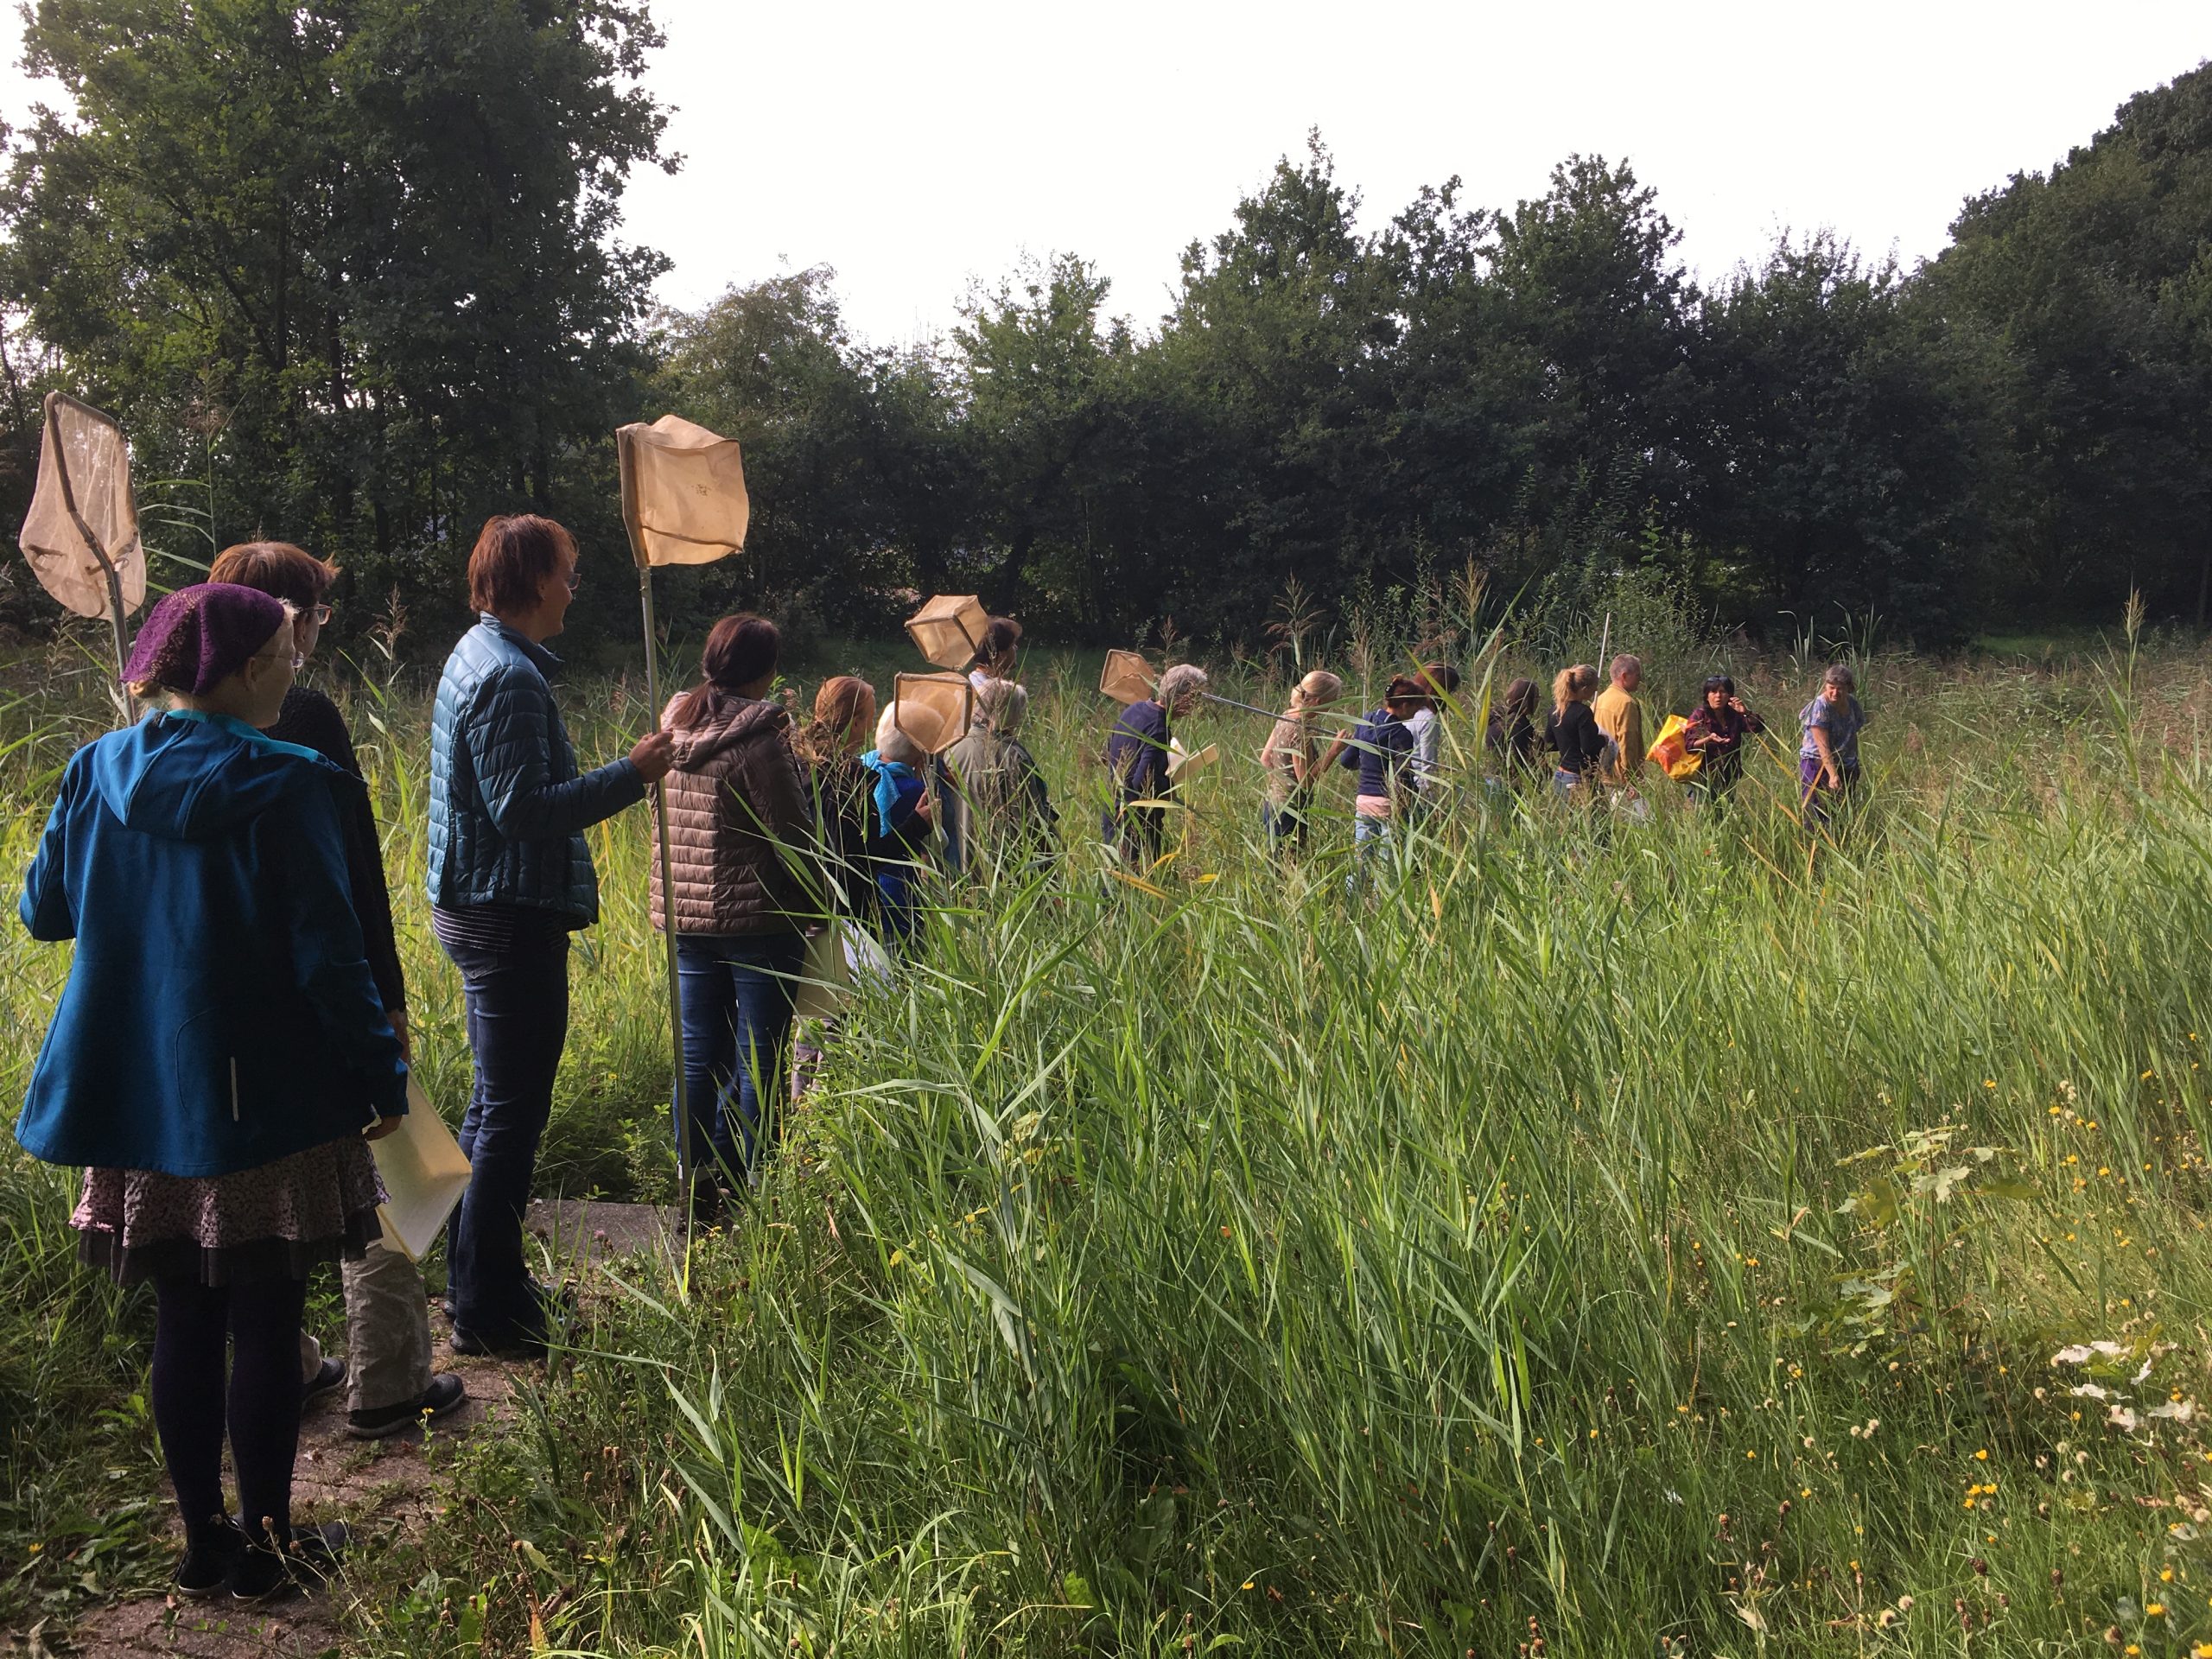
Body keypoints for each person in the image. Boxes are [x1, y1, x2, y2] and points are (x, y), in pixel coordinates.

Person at [15, 583, 409, 1602]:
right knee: (268, 1323)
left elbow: (44, 912)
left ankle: (202, 1546)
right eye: (283, 653)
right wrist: (380, 1075)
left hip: (137, 1100)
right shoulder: (293, 784)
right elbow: (332, 959)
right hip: (265, 1100)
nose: (294, 669)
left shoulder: (94, 768)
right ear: (235, 673)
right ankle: (268, 1550)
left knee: (181, 1322)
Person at [207, 542, 465, 1440]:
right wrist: (385, 1005)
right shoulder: (303, 716)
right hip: (318, 1000)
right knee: (377, 1180)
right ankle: (386, 1379)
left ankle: (296, 1364)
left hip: (213, 1017)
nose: (318, 631)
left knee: (246, 1217)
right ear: (289, 620)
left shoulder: (162, 725)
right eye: (316, 615)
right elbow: (350, 873)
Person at [428, 515, 673, 1358]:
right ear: (535, 582)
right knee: (509, 1119)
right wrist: (631, 776)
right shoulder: (510, 679)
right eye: (568, 573)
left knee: (493, 1110)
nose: (575, 587)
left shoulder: (481, 654)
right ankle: (490, 1310)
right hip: (506, 916)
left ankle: (477, 1288)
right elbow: (523, 812)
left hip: (484, 907)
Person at [652, 614, 817, 1216]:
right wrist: (824, 901)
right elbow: (794, 836)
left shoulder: (671, 728)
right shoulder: (761, 738)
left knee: (697, 1056)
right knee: (761, 1058)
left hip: (687, 920)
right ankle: (753, 1191)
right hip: (761, 921)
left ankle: (692, 1186)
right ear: (766, 672)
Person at [944, 677, 1056, 870]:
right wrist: (1051, 876)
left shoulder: (950, 747)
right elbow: (1034, 824)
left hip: (953, 865)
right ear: (1011, 714)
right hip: (1001, 871)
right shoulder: (1013, 757)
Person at [1103, 663, 1208, 865]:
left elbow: (1107, 753)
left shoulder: (1134, 710)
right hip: (1136, 819)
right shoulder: (1159, 728)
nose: (1195, 706)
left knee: (1116, 881)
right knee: (1136, 883)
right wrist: (1170, 787)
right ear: (1183, 697)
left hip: (1111, 806)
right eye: (1194, 698)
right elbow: (1141, 780)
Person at [1332, 675, 1424, 887]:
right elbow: (1403, 777)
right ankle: (1380, 908)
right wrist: (1411, 804)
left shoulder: (1366, 721)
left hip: (1363, 801)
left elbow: (1347, 761)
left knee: (1361, 862)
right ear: (1404, 705)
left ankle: (1350, 904)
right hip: (1388, 806)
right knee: (1386, 866)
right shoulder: (1402, 734)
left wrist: (1368, 763)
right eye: (1415, 709)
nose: (1414, 715)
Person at [859, 706, 937, 942]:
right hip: (901, 892)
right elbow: (938, 841)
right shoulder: (914, 790)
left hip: (865, 892)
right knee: (905, 958)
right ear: (918, 749)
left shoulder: (861, 768)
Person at [1258, 669, 1343, 851]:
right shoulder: (1301, 729)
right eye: (1333, 700)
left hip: (1272, 802)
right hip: (1290, 809)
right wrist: (1334, 751)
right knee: (1289, 865)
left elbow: (1265, 758)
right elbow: (1305, 781)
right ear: (1320, 701)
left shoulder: (1286, 715)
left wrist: (1278, 783)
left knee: (1277, 862)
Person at [1799, 664, 1867, 826]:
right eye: (1831, 688)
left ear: (1849, 688)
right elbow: (1823, 746)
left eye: (1840, 688)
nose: (1835, 693)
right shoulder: (1820, 707)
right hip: (1818, 764)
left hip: (1846, 763)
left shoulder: (1852, 704)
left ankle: (1842, 846)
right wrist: (1833, 774)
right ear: (1825, 686)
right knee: (1818, 814)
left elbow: (1852, 733)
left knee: (1842, 813)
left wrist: (1853, 763)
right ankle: (1815, 847)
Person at [1681, 674, 1764, 801]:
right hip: (1704, 776)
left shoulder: (1734, 714)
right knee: (1705, 814)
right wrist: (1708, 739)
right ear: (1707, 695)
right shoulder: (1700, 715)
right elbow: (1690, 746)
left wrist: (1746, 713)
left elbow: (1758, 728)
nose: (1718, 696)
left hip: (1729, 775)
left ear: (1730, 695)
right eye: (1713, 692)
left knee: (1725, 814)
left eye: (1723, 692)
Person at [1544, 664, 1605, 800]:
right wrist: (1603, 739)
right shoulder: (1583, 712)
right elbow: (1588, 748)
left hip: (1561, 775)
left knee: (1566, 819)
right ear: (1584, 689)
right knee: (1597, 817)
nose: (1596, 690)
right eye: (1595, 687)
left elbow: (1549, 743)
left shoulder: (1555, 710)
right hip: (1579, 777)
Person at [1406, 661, 1460, 805]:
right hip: (1417, 789)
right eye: (1450, 691)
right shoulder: (1429, 719)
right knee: (1461, 795)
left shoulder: (1404, 711)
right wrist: (1434, 804)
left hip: (1391, 786)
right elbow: (1428, 766)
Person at [1592, 653, 1644, 788]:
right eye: (1638, 675)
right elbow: (1627, 742)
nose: (1640, 679)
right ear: (1624, 676)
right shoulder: (1627, 703)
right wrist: (1631, 778)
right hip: (1620, 780)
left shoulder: (1598, 701)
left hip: (1601, 776)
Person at [1485, 677, 1541, 781]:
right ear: (1526, 700)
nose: (1538, 702)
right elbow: (1525, 759)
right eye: (1537, 698)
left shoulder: (1495, 718)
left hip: (1492, 778)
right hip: (1511, 782)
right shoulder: (1519, 726)